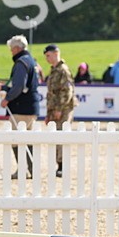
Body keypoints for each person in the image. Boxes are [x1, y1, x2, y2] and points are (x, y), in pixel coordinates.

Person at [0, 35, 39, 178]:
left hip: (20, 107)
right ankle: (31, 169)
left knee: (16, 140)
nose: (11, 52)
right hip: (30, 107)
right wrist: (3, 87)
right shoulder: (31, 61)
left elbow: (19, 86)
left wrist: (7, 98)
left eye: (11, 49)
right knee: (28, 139)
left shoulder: (21, 62)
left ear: (17, 48)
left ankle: (23, 170)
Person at [43, 45, 77, 176]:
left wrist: (58, 109)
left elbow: (67, 91)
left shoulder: (63, 70)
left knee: (62, 136)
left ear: (56, 53)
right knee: (56, 136)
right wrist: (49, 113)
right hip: (55, 109)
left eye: (48, 55)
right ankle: (59, 164)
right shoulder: (54, 70)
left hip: (64, 109)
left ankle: (63, 165)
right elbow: (51, 93)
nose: (47, 58)